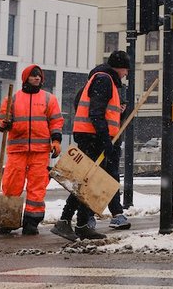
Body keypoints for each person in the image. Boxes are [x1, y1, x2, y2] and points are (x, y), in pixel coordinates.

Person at [51, 51, 132, 241]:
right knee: (87, 180)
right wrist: (105, 140)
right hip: (93, 137)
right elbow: (96, 113)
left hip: (94, 136)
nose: (126, 73)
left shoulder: (104, 79)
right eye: (126, 69)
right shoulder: (104, 80)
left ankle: (81, 224)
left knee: (88, 181)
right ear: (119, 67)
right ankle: (66, 221)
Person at [0, 65, 64, 236]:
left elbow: (56, 122)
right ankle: (8, 220)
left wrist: (56, 141)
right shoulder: (13, 99)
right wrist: (3, 124)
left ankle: (31, 222)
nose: (37, 78)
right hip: (17, 150)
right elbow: (1, 120)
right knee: (11, 185)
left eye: (39, 76)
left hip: (40, 151)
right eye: (33, 76)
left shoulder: (49, 99)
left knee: (37, 187)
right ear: (26, 79)